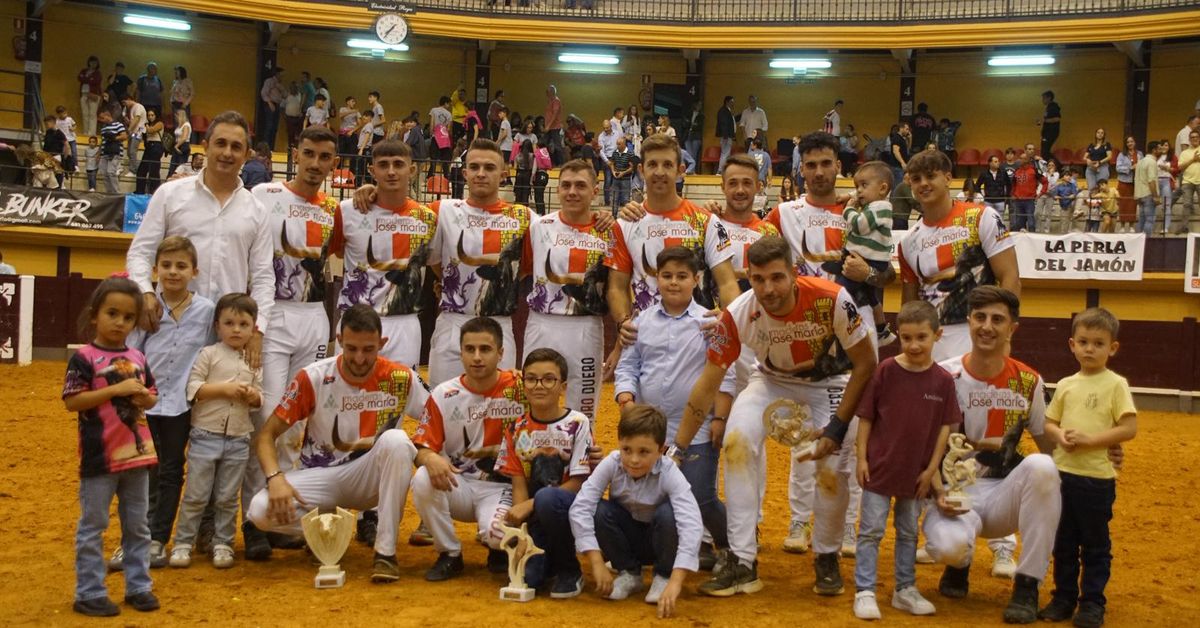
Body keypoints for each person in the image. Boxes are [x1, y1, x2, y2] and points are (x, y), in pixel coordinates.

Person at [678, 235, 875, 597]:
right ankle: (742, 559)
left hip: (829, 382)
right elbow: (708, 383)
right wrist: (678, 446)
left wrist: (837, 425)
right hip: (770, 380)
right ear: (748, 277)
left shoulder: (832, 299)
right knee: (737, 442)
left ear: (795, 273)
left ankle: (827, 554)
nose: (768, 289)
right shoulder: (738, 312)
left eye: (777, 277)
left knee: (832, 467)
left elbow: (866, 363)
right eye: (758, 279)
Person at [246, 304, 426, 582]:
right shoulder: (313, 376)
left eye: (369, 349)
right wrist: (275, 478)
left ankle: (385, 552)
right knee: (259, 511)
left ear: (382, 343)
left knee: (398, 440)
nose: (359, 358)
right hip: (320, 476)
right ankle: (325, 528)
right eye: (351, 348)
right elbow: (267, 435)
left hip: (369, 478)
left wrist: (431, 456)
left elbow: (436, 422)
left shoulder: (400, 378)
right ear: (339, 341)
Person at [923, 286, 1061, 624]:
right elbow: (919, 441)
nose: (987, 326)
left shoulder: (1028, 381)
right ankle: (959, 565)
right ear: (968, 321)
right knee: (947, 548)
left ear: (1012, 327)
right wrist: (937, 492)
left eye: (998, 319)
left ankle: (1027, 584)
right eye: (980, 317)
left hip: (1003, 494)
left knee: (1043, 468)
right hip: (953, 495)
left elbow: (1048, 442)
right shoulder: (942, 376)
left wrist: (1094, 455)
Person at [126, 111, 274, 376]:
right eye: (221, 143)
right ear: (205, 146)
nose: (227, 153)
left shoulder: (257, 211)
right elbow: (141, 253)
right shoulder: (170, 195)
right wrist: (146, 293)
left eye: (236, 146)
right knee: (160, 408)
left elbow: (263, 278)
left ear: (247, 154)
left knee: (215, 412)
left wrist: (258, 328)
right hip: (170, 326)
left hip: (227, 334)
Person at [615, 246, 732, 572]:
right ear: (656, 278)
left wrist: (719, 417)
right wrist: (626, 400)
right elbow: (628, 368)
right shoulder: (642, 321)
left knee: (702, 498)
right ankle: (654, 552)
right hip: (648, 433)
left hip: (695, 428)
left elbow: (726, 373)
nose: (674, 283)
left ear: (697, 279)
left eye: (682, 276)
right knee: (649, 496)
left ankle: (729, 548)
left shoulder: (709, 322)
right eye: (667, 276)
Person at [851, 300, 960, 620]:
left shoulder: (943, 380)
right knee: (871, 530)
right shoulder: (886, 371)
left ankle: (904, 589)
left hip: (916, 474)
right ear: (898, 335)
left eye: (921, 338)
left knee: (909, 531)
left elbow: (944, 428)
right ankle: (865, 590)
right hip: (880, 469)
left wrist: (931, 469)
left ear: (937, 335)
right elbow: (866, 417)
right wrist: (861, 458)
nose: (914, 345)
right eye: (907, 337)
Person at [605, 133, 740, 377]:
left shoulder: (707, 221)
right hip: (646, 339)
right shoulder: (624, 224)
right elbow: (616, 286)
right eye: (652, 164)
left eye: (667, 165)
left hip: (698, 338)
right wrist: (623, 323)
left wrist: (726, 317)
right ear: (640, 170)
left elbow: (728, 282)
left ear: (680, 170)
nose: (659, 172)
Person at [64, 277, 160, 618]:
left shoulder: (137, 356)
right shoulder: (84, 358)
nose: (119, 322)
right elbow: (73, 402)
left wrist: (142, 397)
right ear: (95, 315)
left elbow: (151, 397)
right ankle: (89, 591)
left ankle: (139, 586)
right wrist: (114, 391)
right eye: (112, 313)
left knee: (138, 525)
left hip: (137, 455)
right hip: (99, 457)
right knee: (93, 525)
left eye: (128, 317)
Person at [1039, 308, 1138, 628]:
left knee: (1095, 544)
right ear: (1072, 344)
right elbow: (1049, 422)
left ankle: (1092, 602)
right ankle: (1063, 598)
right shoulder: (1066, 384)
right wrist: (1060, 436)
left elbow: (1129, 427)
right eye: (1083, 342)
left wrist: (1091, 440)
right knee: (1064, 540)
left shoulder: (1116, 384)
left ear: (1113, 348)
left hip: (1097, 479)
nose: (1090, 349)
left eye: (1098, 343)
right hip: (1063, 474)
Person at [410, 317, 527, 581]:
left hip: (502, 489)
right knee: (422, 478)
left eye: (485, 349)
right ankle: (450, 553)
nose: (477, 357)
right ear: (460, 352)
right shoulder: (443, 394)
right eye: (469, 349)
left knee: (501, 538)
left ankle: (494, 546)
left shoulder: (521, 388)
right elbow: (420, 446)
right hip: (459, 485)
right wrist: (429, 457)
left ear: (501, 353)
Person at [128, 237, 215, 570]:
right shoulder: (148, 307)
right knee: (143, 468)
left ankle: (157, 538)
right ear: (155, 270)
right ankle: (137, 535)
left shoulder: (206, 310)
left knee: (170, 469)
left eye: (181, 266)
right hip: (146, 401)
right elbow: (134, 352)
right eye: (166, 265)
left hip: (181, 402)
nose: (173, 272)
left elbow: (209, 352)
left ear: (194, 271)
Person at [569, 404, 702, 617]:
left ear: (661, 450)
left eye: (644, 452)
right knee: (598, 510)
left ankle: (663, 576)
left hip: (660, 542)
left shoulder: (670, 472)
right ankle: (629, 573)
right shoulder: (611, 463)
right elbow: (581, 506)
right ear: (619, 444)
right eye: (627, 449)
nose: (633, 459)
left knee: (669, 515)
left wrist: (676, 581)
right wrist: (596, 561)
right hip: (626, 539)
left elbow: (691, 522)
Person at [168, 293, 262, 570]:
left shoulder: (253, 361)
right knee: (196, 494)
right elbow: (193, 388)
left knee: (227, 497)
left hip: (238, 439)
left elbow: (261, 396)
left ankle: (223, 543)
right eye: (229, 323)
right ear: (216, 326)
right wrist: (224, 389)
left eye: (243, 324)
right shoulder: (208, 354)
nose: (236, 329)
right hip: (205, 436)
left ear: (253, 328)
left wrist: (253, 396)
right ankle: (183, 542)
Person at [898, 149, 1020, 362]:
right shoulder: (908, 241)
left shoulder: (982, 216)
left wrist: (1005, 339)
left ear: (948, 178)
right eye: (916, 179)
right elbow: (910, 305)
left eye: (931, 176)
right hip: (931, 341)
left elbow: (1010, 277)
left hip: (976, 334)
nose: (923, 183)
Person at [330, 138, 436, 369]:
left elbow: (436, 261)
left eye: (398, 164)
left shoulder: (427, 217)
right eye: (383, 164)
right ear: (372, 170)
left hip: (404, 322)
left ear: (412, 169)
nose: (391, 172)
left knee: (399, 397)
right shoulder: (347, 211)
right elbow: (337, 253)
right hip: (355, 319)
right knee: (349, 395)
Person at [497, 348, 594, 598]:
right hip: (536, 515)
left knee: (547, 499)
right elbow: (518, 480)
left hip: (567, 507)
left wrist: (531, 504)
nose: (539, 385)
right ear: (524, 383)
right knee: (531, 578)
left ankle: (569, 569)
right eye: (531, 378)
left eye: (549, 379)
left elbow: (578, 481)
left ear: (562, 386)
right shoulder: (516, 428)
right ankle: (546, 558)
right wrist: (522, 533)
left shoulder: (578, 423)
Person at [520, 159, 611, 421]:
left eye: (581, 185)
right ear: (558, 189)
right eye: (566, 185)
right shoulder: (538, 227)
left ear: (595, 190)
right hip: (542, 322)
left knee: (583, 404)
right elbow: (523, 270)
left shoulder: (610, 231)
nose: (572, 192)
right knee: (534, 398)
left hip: (586, 325)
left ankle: (579, 460)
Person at [821, 161, 896, 345]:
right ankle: (882, 330)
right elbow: (864, 191)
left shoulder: (881, 207)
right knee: (872, 297)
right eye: (856, 187)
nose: (859, 191)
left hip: (870, 261)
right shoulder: (875, 201)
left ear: (882, 188)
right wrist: (850, 195)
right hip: (864, 257)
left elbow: (859, 225)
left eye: (863, 186)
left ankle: (837, 326)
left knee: (843, 291)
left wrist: (849, 209)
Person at [1135, 140, 1162, 236]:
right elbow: (1151, 181)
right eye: (1159, 149)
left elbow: (1137, 179)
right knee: (1149, 220)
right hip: (1148, 194)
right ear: (1154, 150)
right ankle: (1147, 242)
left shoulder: (1140, 161)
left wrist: (1137, 196)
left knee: (1141, 221)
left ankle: (1138, 242)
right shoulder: (1152, 162)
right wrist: (1155, 196)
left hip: (1140, 195)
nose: (1161, 150)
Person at [1115, 136, 1141, 233]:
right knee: (1123, 204)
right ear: (1126, 144)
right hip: (1124, 182)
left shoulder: (1139, 154)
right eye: (1128, 142)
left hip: (1135, 182)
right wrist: (1130, 167)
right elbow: (1118, 168)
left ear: (1134, 142)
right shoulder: (1121, 155)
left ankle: (1131, 226)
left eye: (1132, 141)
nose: (1130, 143)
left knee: (1132, 204)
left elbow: (1142, 166)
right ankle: (1122, 225)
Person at [97, 110, 127, 193]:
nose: (102, 120)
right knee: (104, 173)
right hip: (105, 152)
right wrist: (99, 153)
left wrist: (113, 138)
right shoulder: (103, 128)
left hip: (115, 152)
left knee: (111, 172)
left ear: (108, 116)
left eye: (103, 118)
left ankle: (116, 192)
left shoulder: (118, 125)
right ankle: (109, 192)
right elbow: (102, 141)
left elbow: (124, 136)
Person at [136, 110, 164, 195]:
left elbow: (151, 131)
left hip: (156, 146)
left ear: (156, 116)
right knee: (141, 170)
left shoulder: (160, 123)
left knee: (154, 171)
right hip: (148, 147)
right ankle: (139, 191)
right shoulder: (147, 125)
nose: (150, 117)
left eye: (152, 115)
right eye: (148, 115)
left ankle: (154, 192)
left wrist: (146, 125)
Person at [259, 68, 285, 151]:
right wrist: (269, 103)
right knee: (269, 126)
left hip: (277, 105)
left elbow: (285, 94)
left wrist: (279, 87)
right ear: (277, 74)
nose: (282, 77)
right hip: (270, 104)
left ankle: (271, 148)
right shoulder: (269, 81)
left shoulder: (279, 84)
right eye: (281, 75)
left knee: (274, 127)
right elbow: (264, 93)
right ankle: (265, 148)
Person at [1179, 129, 1200, 235]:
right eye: (1192, 137)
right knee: (1186, 204)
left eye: (1196, 137)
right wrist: (1193, 159)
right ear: (1189, 139)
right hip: (1187, 182)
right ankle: (1184, 227)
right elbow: (1180, 167)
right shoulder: (1184, 153)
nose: (1194, 139)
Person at [609, 136, 636, 213]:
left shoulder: (630, 153)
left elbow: (632, 167)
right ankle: (614, 216)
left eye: (619, 144)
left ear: (624, 144)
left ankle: (626, 217)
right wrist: (613, 171)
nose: (617, 146)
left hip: (626, 179)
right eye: (617, 144)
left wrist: (623, 173)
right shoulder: (615, 152)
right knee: (614, 198)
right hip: (616, 178)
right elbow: (611, 163)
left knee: (625, 199)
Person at [122, 94, 147, 176]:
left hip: (138, 132)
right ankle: (135, 168)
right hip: (133, 132)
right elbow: (132, 122)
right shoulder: (130, 109)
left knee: (132, 151)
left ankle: (133, 171)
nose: (125, 105)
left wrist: (129, 130)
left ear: (129, 99)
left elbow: (137, 119)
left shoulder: (138, 107)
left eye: (125, 102)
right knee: (129, 151)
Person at [79, 55, 102, 137]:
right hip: (84, 93)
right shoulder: (84, 71)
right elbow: (79, 78)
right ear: (89, 62)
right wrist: (89, 79)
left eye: (95, 62)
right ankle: (85, 132)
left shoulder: (98, 73)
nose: (93, 64)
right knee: (85, 113)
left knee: (92, 114)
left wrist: (86, 79)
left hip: (93, 94)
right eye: (92, 62)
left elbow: (95, 81)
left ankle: (91, 132)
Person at [1157, 141, 1177, 235]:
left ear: (1169, 147)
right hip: (1156, 181)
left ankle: (1166, 227)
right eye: (1162, 145)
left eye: (1166, 145)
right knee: (1154, 203)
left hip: (1166, 181)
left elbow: (1177, 169)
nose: (1164, 147)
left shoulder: (1172, 157)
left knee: (1167, 205)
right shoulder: (1156, 156)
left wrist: (1167, 168)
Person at [167, 110, 191, 179]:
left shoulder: (186, 125)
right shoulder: (179, 126)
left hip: (183, 146)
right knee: (172, 167)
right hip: (177, 145)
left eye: (176, 116)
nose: (175, 118)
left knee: (180, 167)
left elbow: (184, 137)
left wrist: (176, 146)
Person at [544, 84, 564, 165]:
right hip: (550, 127)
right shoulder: (550, 101)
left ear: (552, 92)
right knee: (546, 144)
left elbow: (555, 114)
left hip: (554, 127)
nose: (547, 94)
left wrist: (548, 125)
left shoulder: (556, 101)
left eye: (548, 92)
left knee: (557, 146)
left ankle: (561, 163)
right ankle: (549, 162)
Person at [1038, 90, 1062, 157]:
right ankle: (1051, 165)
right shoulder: (1049, 107)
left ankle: (1056, 165)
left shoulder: (1053, 106)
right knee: (1044, 151)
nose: (1042, 100)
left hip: (1050, 132)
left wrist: (1045, 121)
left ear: (1049, 98)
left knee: (1045, 152)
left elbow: (1057, 118)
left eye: (1044, 98)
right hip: (1047, 133)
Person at [716, 96, 736, 172]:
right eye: (731, 102)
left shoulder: (727, 111)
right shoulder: (724, 111)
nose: (733, 104)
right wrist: (725, 135)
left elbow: (731, 122)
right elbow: (724, 124)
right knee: (725, 153)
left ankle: (723, 169)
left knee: (726, 153)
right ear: (727, 102)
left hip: (728, 135)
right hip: (726, 136)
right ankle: (720, 170)